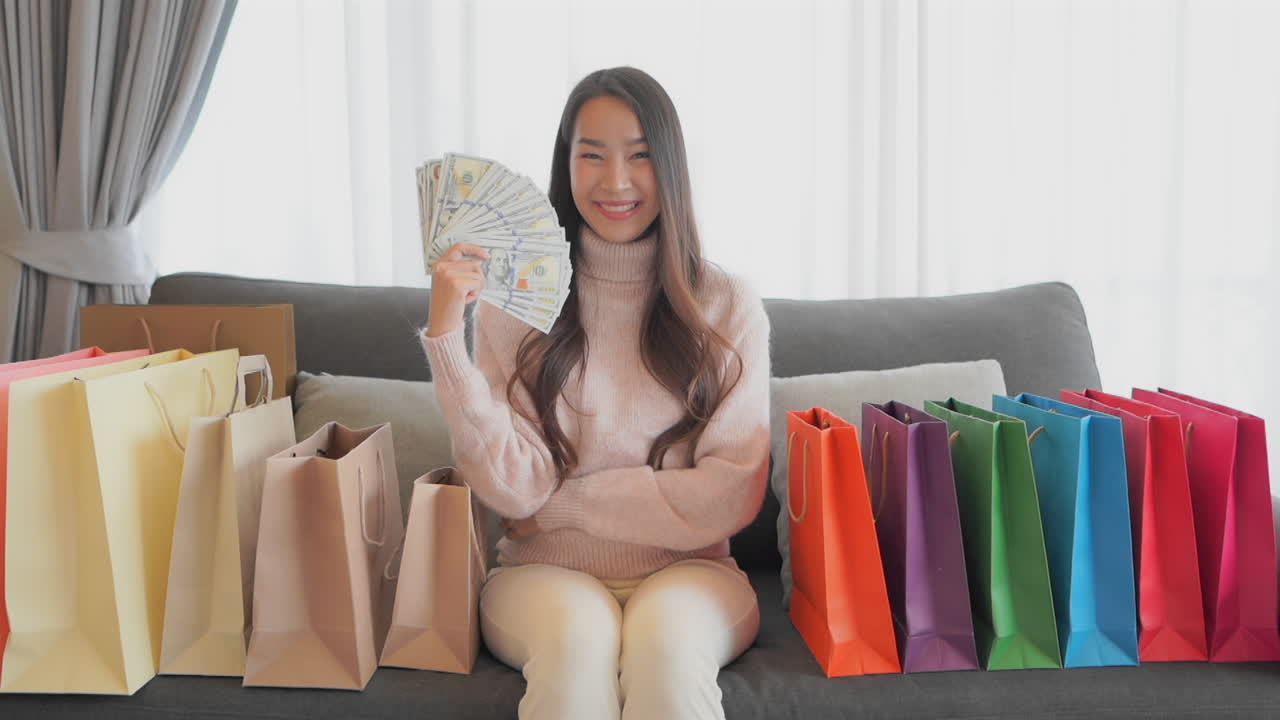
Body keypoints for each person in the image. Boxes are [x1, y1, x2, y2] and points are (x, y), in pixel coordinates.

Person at [422, 66, 771, 720]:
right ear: (566, 164)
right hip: (540, 573)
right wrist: (446, 334)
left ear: (670, 166)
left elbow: (730, 490)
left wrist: (567, 499)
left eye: (640, 156)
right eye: (592, 156)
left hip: (692, 574)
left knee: (664, 646)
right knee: (578, 640)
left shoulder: (726, 306)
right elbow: (513, 490)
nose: (616, 181)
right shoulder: (515, 305)